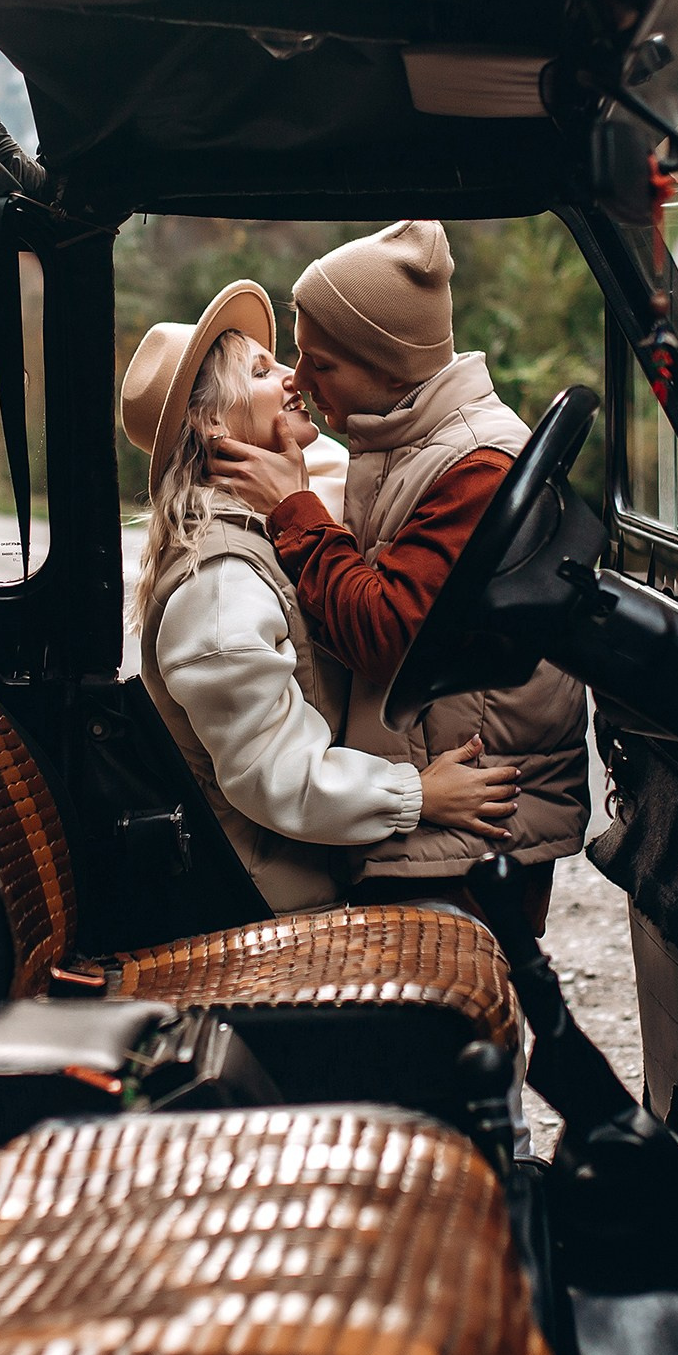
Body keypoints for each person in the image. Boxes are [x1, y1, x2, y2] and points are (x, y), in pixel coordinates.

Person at [209, 221, 589, 923]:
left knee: (452, 1024)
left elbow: (389, 634)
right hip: (439, 812)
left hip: (471, 825)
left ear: (388, 368)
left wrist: (293, 510)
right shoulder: (413, 439)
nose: (298, 379)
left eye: (319, 362)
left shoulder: (475, 464)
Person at [123, 280, 522, 913]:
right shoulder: (221, 583)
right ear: (213, 423)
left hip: (295, 874)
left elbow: (340, 487)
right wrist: (418, 794)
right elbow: (273, 775)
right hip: (271, 903)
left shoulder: (257, 530)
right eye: (261, 370)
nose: (292, 377)